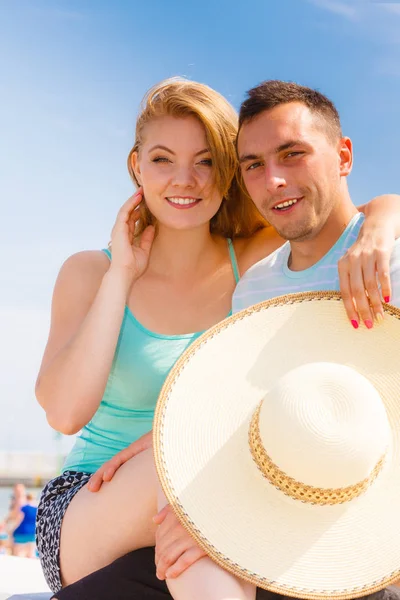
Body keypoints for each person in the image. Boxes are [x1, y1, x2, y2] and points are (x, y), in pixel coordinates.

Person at [35, 77, 400, 599]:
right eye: (163, 159)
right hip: (95, 504)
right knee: (181, 463)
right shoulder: (90, 271)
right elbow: (65, 414)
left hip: (210, 489)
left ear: (226, 171)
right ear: (136, 165)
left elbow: (341, 210)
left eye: (205, 160)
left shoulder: (253, 263)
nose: (185, 179)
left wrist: (384, 224)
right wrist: (122, 276)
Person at [11, 492, 37, 558]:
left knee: (18, 554)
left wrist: (12, 530)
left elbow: (19, 519)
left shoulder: (23, 508)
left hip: (21, 533)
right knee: (31, 554)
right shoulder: (37, 509)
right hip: (32, 533)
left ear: (26, 498)